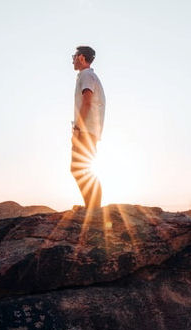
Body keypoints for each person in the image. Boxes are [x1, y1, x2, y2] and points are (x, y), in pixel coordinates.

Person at [70, 46, 106, 209]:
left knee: (79, 168)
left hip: (85, 130)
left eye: (74, 56)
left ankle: (93, 208)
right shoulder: (89, 76)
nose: (72, 59)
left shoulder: (86, 75)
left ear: (82, 58)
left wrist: (78, 127)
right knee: (82, 168)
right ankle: (92, 207)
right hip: (90, 130)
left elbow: (87, 101)